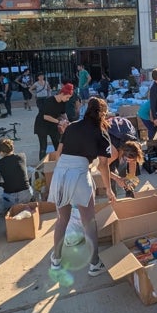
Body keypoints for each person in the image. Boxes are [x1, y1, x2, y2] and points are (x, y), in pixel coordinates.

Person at [48, 97, 113, 277]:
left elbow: (58, 153)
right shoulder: (101, 132)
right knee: (88, 222)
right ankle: (94, 264)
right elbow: (103, 165)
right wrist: (108, 188)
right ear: (103, 113)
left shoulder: (72, 126)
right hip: (79, 174)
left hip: (60, 173)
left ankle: (56, 260)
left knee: (62, 219)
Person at [0, 138, 32, 208]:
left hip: (12, 198)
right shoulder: (22, 156)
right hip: (26, 194)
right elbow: (10, 163)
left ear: (1, 152)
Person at [34, 83, 73, 160]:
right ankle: (41, 166)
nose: (68, 99)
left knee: (58, 144)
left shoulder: (63, 102)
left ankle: (59, 161)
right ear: (62, 94)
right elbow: (45, 116)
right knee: (43, 146)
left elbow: (63, 113)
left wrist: (67, 121)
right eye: (67, 97)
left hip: (53, 124)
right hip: (42, 125)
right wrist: (59, 122)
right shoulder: (49, 101)